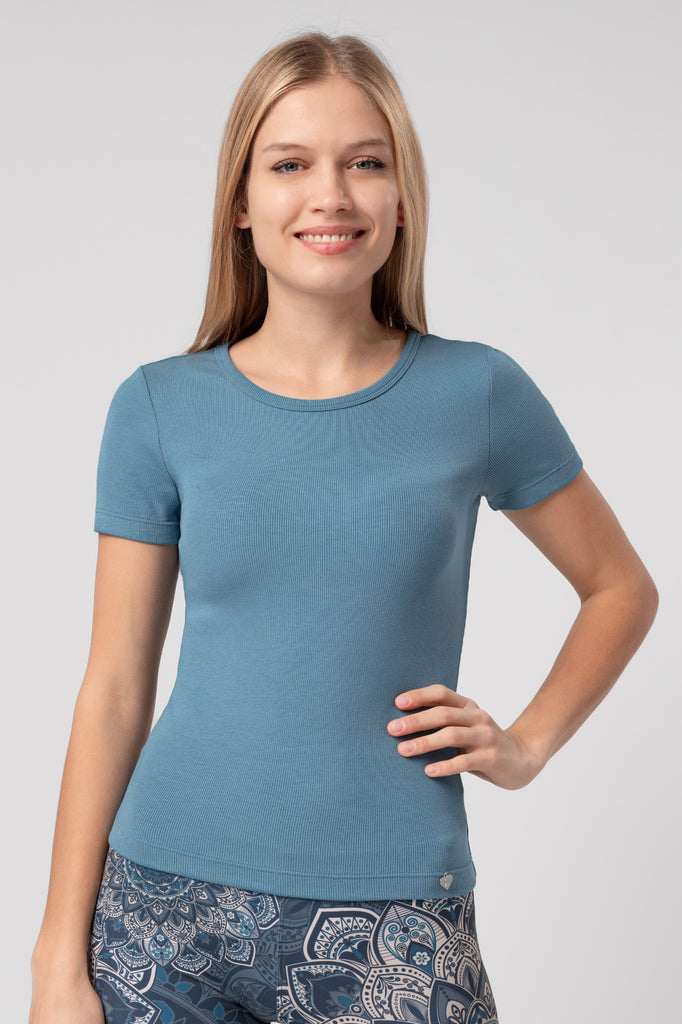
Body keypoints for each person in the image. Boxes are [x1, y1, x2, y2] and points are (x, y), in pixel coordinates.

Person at [29, 30, 658, 1024]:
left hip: (395, 912)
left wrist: (525, 746)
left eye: (365, 163)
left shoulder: (477, 392)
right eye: (290, 165)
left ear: (402, 200)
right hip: (160, 911)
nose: (330, 194)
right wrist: (55, 961)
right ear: (240, 202)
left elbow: (620, 588)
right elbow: (113, 688)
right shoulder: (157, 407)